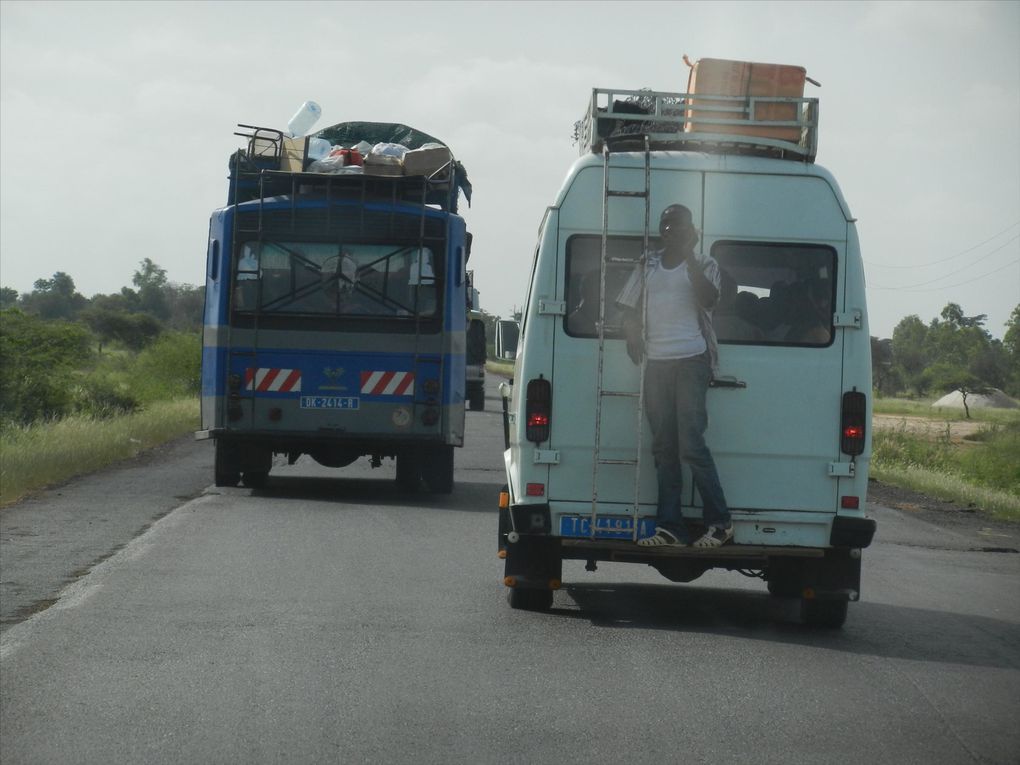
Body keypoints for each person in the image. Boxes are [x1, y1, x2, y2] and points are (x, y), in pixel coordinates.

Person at [615, 204, 733, 548]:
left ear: (690, 231)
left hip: (692, 361)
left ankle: (720, 523)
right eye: (665, 225)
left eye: (677, 226)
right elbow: (627, 306)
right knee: (664, 447)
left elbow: (710, 300)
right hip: (657, 363)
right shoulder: (648, 262)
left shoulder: (706, 264)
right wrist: (632, 332)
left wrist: (690, 259)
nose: (670, 231)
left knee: (692, 444)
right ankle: (671, 527)